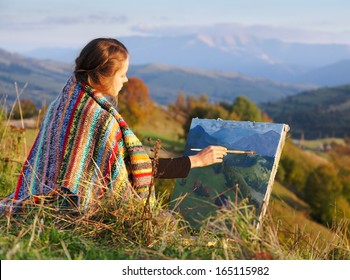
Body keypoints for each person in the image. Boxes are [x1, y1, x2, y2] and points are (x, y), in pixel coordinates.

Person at [0, 38, 227, 213]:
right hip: (71, 208)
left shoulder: (63, 102)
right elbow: (133, 169)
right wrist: (195, 161)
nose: (126, 80)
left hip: (41, 200)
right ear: (103, 75)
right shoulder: (98, 117)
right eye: (123, 74)